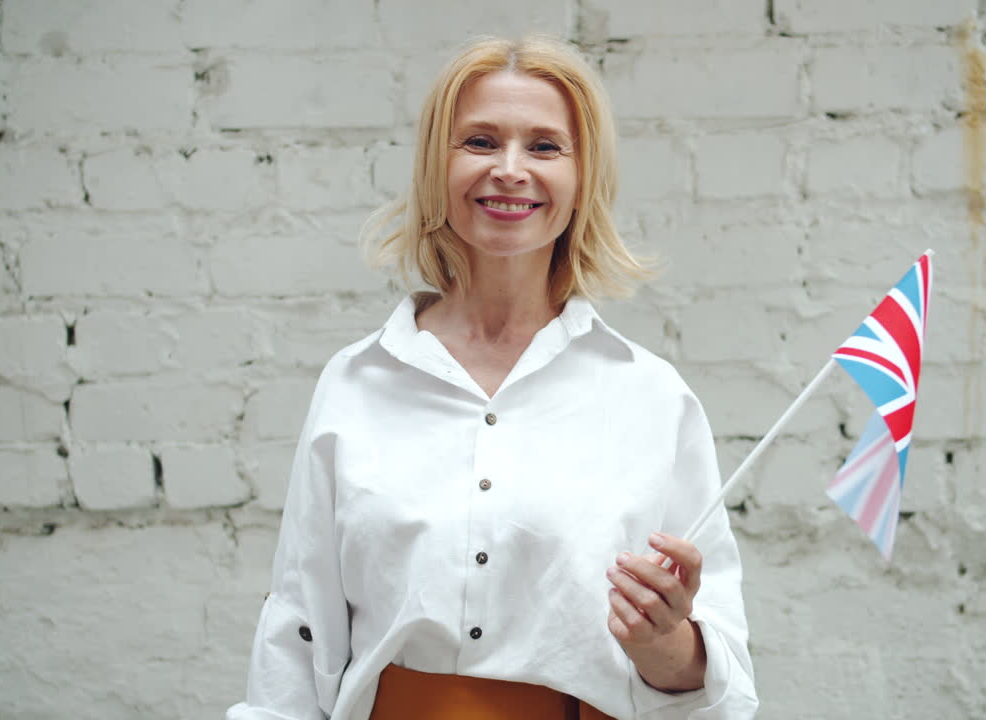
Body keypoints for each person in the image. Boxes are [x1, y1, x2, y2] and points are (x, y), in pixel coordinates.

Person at [227, 35, 759, 720]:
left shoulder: (652, 397)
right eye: (480, 142)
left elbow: (723, 684)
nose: (510, 170)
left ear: (583, 177)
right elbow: (298, 632)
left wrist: (665, 644)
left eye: (545, 147)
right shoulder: (355, 383)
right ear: (437, 165)